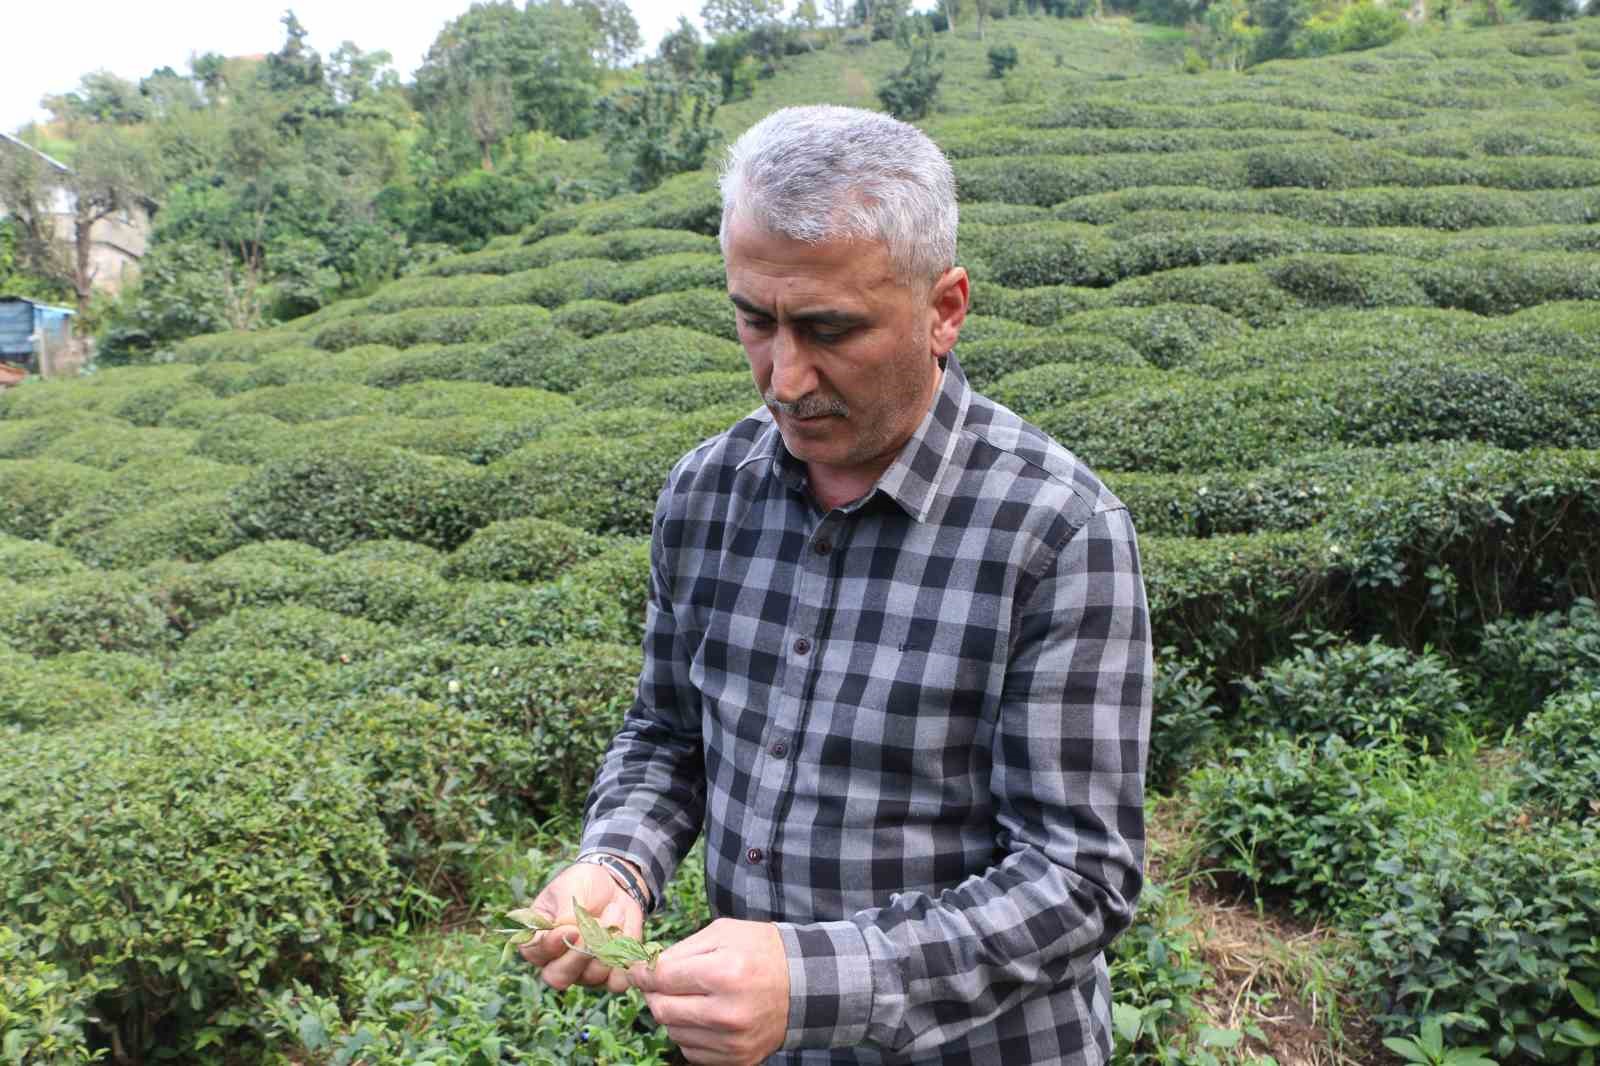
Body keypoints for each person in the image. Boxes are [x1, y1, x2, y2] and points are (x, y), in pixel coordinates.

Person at [519, 104, 1152, 1066]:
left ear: (944, 308)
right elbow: (666, 734)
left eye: (828, 329)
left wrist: (814, 982)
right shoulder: (705, 493)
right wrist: (620, 859)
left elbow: (1078, 879)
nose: (783, 377)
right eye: (753, 320)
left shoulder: (1057, 532)